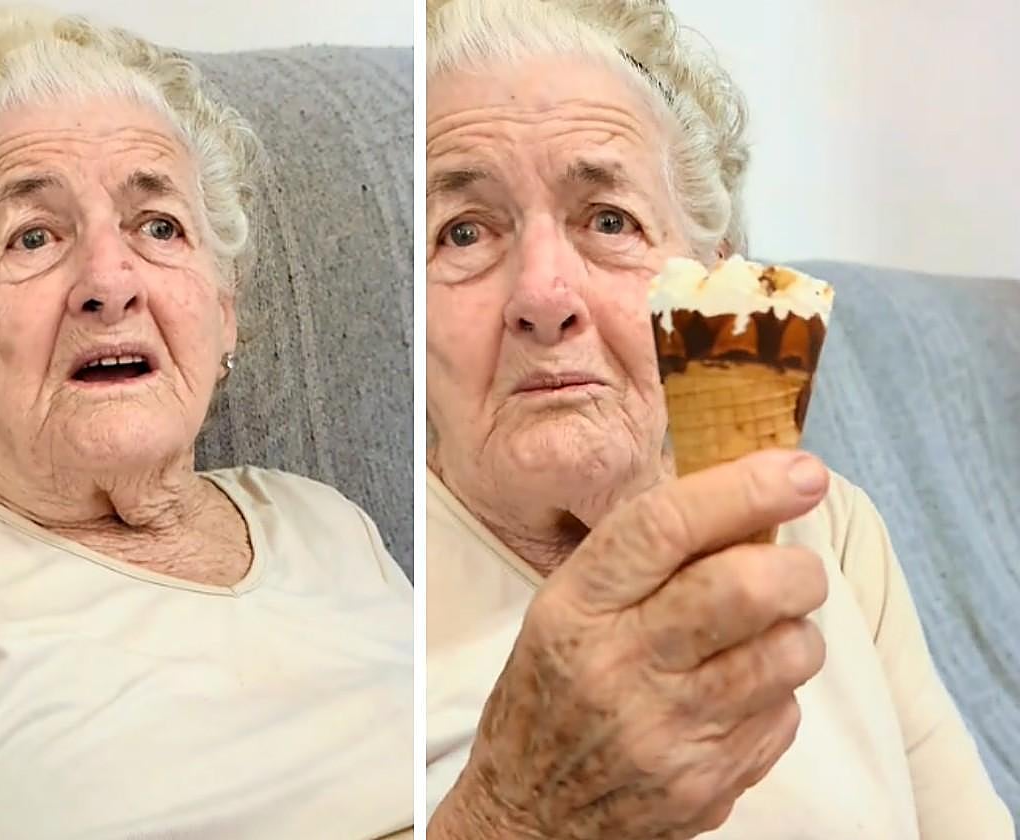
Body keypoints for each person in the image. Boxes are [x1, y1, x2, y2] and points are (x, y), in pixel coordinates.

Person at [423, 0, 1013, 837]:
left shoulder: (831, 527)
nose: (542, 298)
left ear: (715, 290)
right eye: (464, 233)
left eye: (609, 220)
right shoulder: (379, 584)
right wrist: (511, 816)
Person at [0, 8, 411, 839]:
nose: (109, 280)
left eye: (158, 226)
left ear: (224, 312)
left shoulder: (324, 521)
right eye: (33, 237)